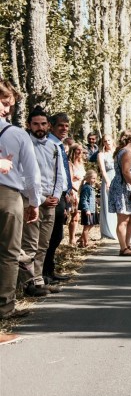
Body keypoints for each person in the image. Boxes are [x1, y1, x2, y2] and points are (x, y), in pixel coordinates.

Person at [0, 80, 41, 319]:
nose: (7, 110)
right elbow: (32, 175)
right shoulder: (17, 134)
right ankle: (5, 307)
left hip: (11, 196)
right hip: (8, 197)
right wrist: (34, 202)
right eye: (5, 104)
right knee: (8, 253)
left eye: (10, 106)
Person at [19, 107, 67, 297]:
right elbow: (22, 176)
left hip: (51, 202)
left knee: (43, 244)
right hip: (32, 202)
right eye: (36, 124)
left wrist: (55, 196)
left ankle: (39, 281)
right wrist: (39, 200)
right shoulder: (24, 145)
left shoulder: (54, 146)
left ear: (48, 125)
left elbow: (59, 175)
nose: (40, 127)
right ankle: (27, 284)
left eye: (43, 124)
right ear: (29, 125)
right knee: (29, 244)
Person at [41, 113, 75, 286]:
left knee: (57, 235)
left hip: (61, 194)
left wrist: (68, 191)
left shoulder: (60, 145)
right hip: (52, 195)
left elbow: (63, 171)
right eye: (61, 125)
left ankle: (50, 270)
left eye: (67, 126)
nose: (64, 129)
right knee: (50, 236)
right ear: (52, 126)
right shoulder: (49, 144)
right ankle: (44, 273)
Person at [66, 145, 88, 246]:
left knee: (78, 217)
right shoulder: (69, 164)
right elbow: (69, 180)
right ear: (73, 151)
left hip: (82, 191)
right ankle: (71, 239)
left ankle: (81, 238)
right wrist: (74, 192)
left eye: (81, 150)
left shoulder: (81, 164)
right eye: (77, 150)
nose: (79, 152)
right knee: (74, 216)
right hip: (74, 191)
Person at [96, 136, 117, 240]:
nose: (107, 142)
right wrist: (108, 181)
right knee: (108, 204)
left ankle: (119, 229)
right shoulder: (101, 155)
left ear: (112, 140)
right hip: (108, 179)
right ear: (103, 143)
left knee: (118, 204)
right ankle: (108, 230)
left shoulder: (118, 152)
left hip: (118, 179)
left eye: (109, 140)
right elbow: (103, 170)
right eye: (105, 141)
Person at [78, 170, 99, 248]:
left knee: (92, 224)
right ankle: (86, 242)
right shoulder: (86, 188)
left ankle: (81, 239)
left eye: (95, 178)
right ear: (87, 178)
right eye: (93, 178)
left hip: (92, 209)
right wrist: (87, 209)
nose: (94, 180)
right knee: (86, 227)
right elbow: (84, 199)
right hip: (88, 210)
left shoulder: (91, 188)